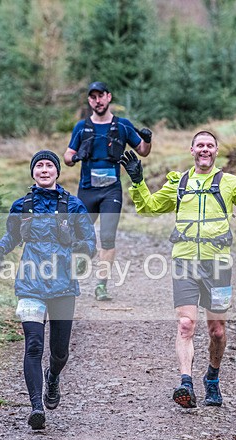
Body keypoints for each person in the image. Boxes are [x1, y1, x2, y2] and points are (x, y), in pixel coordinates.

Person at [120, 131, 236, 408]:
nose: (205, 150)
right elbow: (148, 208)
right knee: (186, 324)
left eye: (210, 145)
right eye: (200, 145)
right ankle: (185, 382)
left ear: (217, 151)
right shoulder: (179, 183)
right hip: (184, 261)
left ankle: (212, 377)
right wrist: (137, 181)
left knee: (217, 331)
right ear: (192, 150)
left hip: (218, 264)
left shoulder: (230, 183)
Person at [0, 150, 96, 430]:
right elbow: (11, 235)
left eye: (49, 165)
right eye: (39, 166)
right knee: (33, 345)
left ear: (57, 172)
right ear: (33, 172)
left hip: (63, 286)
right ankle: (36, 407)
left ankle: (54, 376)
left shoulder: (73, 205)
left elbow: (90, 242)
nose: (44, 170)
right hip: (30, 284)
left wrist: (80, 247)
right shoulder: (22, 205)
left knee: (60, 352)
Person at [64, 81, 153, 301]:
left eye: (101, 96)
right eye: (93, 97)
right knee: (78, 235)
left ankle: (101, 285)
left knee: (107, 236)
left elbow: (143, 150)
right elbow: (67, 157)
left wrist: (148, 138)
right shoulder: (81, 127)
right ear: (89, 100)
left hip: (111, 191)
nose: (97, 100)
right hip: (87, 190)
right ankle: (71, 280)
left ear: (109, 97)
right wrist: (76, 157)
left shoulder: (122, 126)